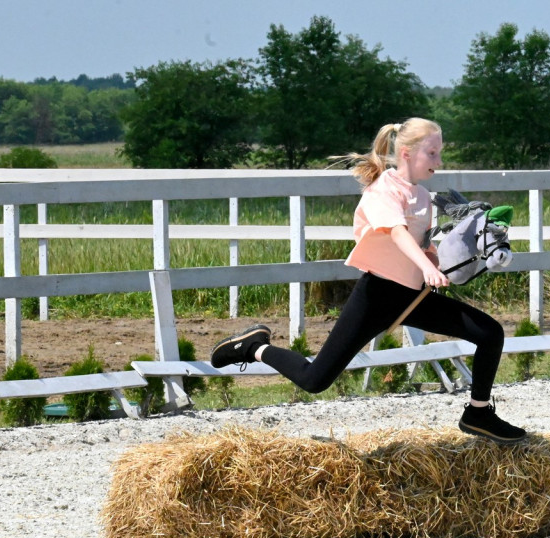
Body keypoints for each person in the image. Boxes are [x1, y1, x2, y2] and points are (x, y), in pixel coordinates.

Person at [209, 118, 526, 444]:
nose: (439, 161)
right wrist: (425, 266)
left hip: (411, 297)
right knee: (315, 379)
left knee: (491, 333)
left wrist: (437, 261)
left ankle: (478, 413)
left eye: (439, 153)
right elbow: (396, 233)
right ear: (407, 153)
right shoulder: (383, 191)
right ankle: (252, 347)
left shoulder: (422, 195)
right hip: (377, 297)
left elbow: (419, 244)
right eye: (432, 153)